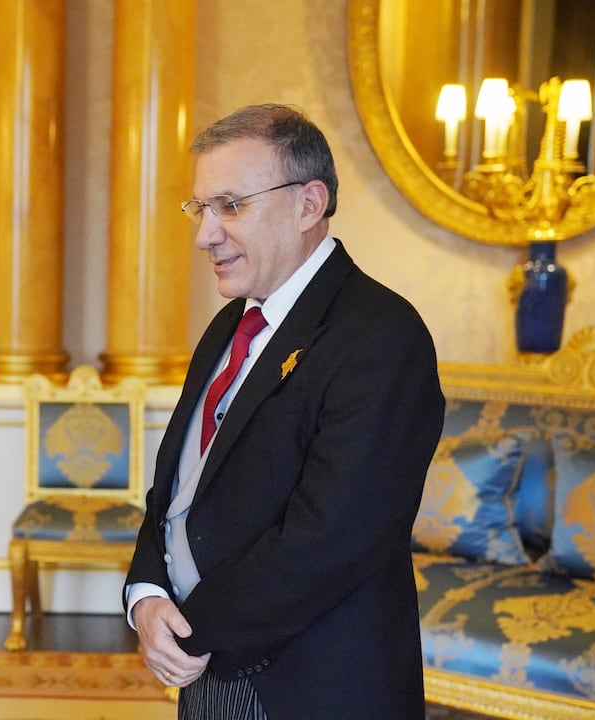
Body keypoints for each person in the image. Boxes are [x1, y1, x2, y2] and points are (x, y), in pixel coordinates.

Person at [123, 104, 444, 720]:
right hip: (208, 665)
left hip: (312, 683)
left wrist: (191, 627)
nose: (204, 234)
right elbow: (175, 487)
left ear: (308, 204)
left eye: (231, 206)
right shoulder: (230, 324)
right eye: (200, 208)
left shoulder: (382, 336)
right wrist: (146, 595)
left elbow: (332, 538)